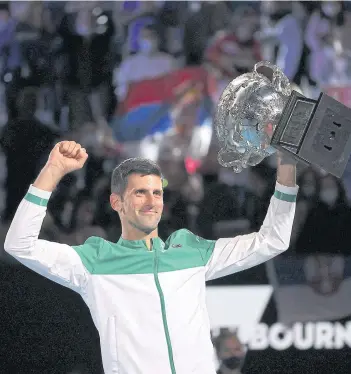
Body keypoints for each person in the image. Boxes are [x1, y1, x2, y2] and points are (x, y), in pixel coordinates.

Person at [4, 140, 298, 374]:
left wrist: (287, 163)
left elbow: (273, 239)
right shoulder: (95, 261)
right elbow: (20, 244)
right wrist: (53, 171)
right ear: (116, 202)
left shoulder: (191, 251)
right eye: (140, 193)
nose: (152, 202)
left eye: (157, 193)